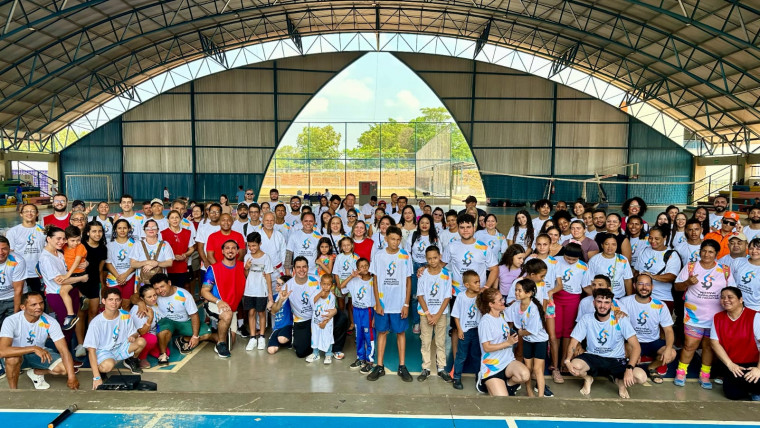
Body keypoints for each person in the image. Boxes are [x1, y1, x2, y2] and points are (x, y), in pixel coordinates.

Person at [673, 238, 735, 389]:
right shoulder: (691, 267)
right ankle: (681, 372)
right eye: (704, 251)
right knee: (689, 345)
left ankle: (705, 375)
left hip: (716, 318)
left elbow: (732, 291)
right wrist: (687, 282)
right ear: (699, 252)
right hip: (693, 316)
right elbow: (677, 287)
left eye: (711, 252)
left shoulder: (724, 270)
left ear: (717, 254)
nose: (707, 254)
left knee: (709, 346)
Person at [566, 287, 647, 399]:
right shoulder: (586, 319)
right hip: (593, 357)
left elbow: (636, 347)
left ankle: (620, 382)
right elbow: (573, 343)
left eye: (606, 302)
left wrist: (629, 369)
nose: (602, 306)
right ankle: (588, 378)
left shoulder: (621, 319)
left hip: (616, 360)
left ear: (611, 304)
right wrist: (567, 359)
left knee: (641, 377)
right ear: (594, 302)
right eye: (599, 301)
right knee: (574, 366)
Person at [0, 292, 79, 390]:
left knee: (65, 369)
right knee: (12, 359)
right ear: (23, 307)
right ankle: (14, 391)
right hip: (17, 353)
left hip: (39, 353)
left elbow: (64, 350)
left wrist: (71, 377)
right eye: (34, 305)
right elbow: (2, 351)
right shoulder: (11, 321)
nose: (39, 307)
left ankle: (36, 372)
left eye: (41, 303)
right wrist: (33, 348)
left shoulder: (50, 322)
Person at [367, 226, 413, 382]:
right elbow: (375, 280)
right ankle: (379, 366)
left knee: (401, 333)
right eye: (393, 239)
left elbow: (408, 281)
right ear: (386, 239)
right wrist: (377, 303)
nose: (396, 242)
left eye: (398, 239)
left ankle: (402, 366)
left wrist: (406, 304)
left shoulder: (405, 256)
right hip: (383, 304)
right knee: (382, 332)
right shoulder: (379, 256)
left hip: (399, 303)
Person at [617, 273, 676, 384]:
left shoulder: (660, 305)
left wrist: (668, 349)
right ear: (634, 285)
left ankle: (652, 367)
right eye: (641, 284)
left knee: (672, 353)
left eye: (647, 284)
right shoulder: (624, 302)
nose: (644, 287)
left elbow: (668, 330)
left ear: (652, 287)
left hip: (653, 341)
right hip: (632, 341)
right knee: (620, 352)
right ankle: (631, 365)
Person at [85, 288, 146, 389]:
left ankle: (131, 360)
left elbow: (135, 333)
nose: (114, 303)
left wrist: (133, 336)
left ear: (121, 301)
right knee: (108, 365)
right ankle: (101, 370)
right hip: (104, 351)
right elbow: (91, 350)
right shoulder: (96, 323)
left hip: (120, 347)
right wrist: (96, 377)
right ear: (103, 301)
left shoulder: (125, 315)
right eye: (110, 299)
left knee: (141, 341)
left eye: (117, 299)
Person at [475, 286, 530, 396]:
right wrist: (507, 343)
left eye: (502, 298)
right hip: (492, 368)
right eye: (500, 300)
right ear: (491, 304)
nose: (503, 301)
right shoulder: (485, 322)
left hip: (507, 362)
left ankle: (508, 385)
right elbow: (486, 347)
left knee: (524, 375)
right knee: (502, 400)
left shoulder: (502, 316)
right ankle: (483, 381)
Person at [38, 227, 88, 343]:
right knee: (64, 328)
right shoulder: (46, 258)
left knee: (72, 326)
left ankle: (70, 355)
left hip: (71, 292)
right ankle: (65, 357)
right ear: (48, 239)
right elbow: (60, 281)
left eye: (64, 239)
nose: (62, 242)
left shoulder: (59, 253)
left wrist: (85, 264)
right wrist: (82, 278)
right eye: (58, 239)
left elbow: (72, 265)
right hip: (57, 295)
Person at [710, 287, 760, 401]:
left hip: (755, 363)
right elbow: (714, 343)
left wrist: (758, 369)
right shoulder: (718, 318)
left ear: (741, 299)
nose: (725, 300)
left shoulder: (755, 317)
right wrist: (730, 364)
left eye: (730, 297)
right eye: (722, 297)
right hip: (734, 364)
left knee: (756, 382)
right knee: (732, 394)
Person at [151, 273, 213, 364]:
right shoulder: (154, 295)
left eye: (162, 286)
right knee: (162, 332)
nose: (160, 291)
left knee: (207, 334)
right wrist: (140, 303)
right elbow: (137, 296)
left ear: (169, 283)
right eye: (156, 288)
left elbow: (194, 315)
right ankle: (163, 354)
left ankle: (182, 340)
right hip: (167, 322)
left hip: (184, 322)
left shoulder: (184, 294)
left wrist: (195, 336)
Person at [201, 240, 247, 359]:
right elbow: (204, 291)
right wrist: (219, 301)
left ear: (237, 251)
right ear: (222, 251)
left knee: (231, 343)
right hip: (214, 303)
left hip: (232, 307)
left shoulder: (243, 267)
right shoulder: (214, 269)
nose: (230, 250)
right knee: (226, 316)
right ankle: (220, 344)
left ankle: (204, 337)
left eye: (233, 248)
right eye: (227, 248)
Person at [507, 278, 551, 397]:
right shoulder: (516, 305)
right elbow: (505, 315)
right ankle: (529, 392)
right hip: (527, 341)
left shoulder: (534, 308)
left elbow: (531, 331)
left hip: (540, 341)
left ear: (529, 293)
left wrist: (520, 333)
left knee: (537, 369)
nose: (516, 293)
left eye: (519, 291)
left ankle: (540, 396)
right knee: (527, 368)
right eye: (516, 290)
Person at [415, 246, 452, 382]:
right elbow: (420, 295)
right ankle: (426, 368)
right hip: (425, 314)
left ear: (440, 256)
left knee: (440, 342)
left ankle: (441, 368)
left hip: (440, 314)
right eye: (429, 258)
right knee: (425, 341)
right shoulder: (422, 274)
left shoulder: (446, 274)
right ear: (426, 259)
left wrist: (437, 315)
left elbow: (447, 297)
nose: (432, 261)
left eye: (435, 258)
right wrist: (428, 314)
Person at [74, 222, 107, 357]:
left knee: (93, 313)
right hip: (80, 283)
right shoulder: (80, 246)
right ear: (87, 232)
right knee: (81, 314)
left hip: (94, 283)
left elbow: (100, 269)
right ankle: (81, 344)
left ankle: (90, 342)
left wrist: (102, 285)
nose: (97, 234)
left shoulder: (103, 248)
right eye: (94, 231)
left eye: (100, 231)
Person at [634, 226, 681, 310]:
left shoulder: (671, 255)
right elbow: (636, 272)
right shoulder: (644, 250)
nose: (653, 241)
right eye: (650, 238)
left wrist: (651, 276)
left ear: (665, 238)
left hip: (662, 298)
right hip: (641, 297)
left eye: (657, 238)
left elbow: (672, 276)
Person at [451, 270, 483, 390]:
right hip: (465, 331)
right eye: (475, 282)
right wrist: (459, 330)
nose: (478, 284)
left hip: (477, 331)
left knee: (476, 355)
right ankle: (457, 377)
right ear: (467, 285)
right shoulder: (460, 297)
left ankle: (479, 377)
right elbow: (456, 315)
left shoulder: (480, 296)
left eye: (479, 282)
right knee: (461, 355)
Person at [406, 214, 439, 333]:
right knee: (415, 296)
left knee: (430, 296)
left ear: (431, 225)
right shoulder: (413, 236)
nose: (424, 225)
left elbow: (438, 256)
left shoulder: (434, 238)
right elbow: (407, 253)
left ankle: (431, 321)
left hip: (430, 268)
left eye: (427, 223)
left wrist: (426, 266)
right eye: (422, 223)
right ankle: (416, 323)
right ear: (418, 224)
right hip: (415, 267)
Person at [243, 232, 274, 351]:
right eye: (249, 246)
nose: (251, 248)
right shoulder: (247, 256)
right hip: (249, 290)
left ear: (260, 244)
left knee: (261, 313)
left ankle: (261, 336)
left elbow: (268, 277)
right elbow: (246, 275)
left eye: (254, 245)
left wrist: (270, 293)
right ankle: (252, 337)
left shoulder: (266, 257)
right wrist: (246, 267)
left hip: (262, 290)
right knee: (251, 313)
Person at [6, 204, 45, 293]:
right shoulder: (13, 232)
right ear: (21, 214)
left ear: (37, 214)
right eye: (26, 211)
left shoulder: (43, 231)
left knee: (39, 298)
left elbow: (47, 250)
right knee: (21, 298)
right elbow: (10, 253)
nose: (29, 213)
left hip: (38, 271)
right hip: (20, 272)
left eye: (32, 211)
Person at [130, 219, 175, 288]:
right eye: (148, 228)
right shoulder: (137, 245)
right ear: (144, 230)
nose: (151, 229)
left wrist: (157, 263)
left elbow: (170, 262)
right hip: (143, 282)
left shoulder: (165, 244)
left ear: (157, 230)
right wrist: (147, 262)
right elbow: (133, 264)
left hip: (160, 283)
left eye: (153, 228)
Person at [58, 226, 88, 329]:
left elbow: (76, 261)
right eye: (73, 240)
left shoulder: (80, 247)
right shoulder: (64, 246)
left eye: (78, 240)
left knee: (63, 291)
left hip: (77, 273)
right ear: (66, 239)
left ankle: (71, 315)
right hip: (71, 273)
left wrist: (67, 275)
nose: (76, 243)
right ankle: (82, 296)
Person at [129, 285, 163, 369]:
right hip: (138, 338)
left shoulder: (155, 305)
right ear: (142, 299)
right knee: (152, 339)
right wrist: (150, 318)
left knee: (166, 352)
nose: (153, 298)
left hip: (152, 334)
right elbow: (141, 332)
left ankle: (150, 349)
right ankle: (140, 358)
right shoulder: (139, 310)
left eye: (154, 295)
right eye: (149, 297)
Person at [306, 274, 337, 364]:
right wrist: (319, 294)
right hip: (316, 321)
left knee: (328, 336)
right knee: (315, 336)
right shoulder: (316, 292)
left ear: (331, 285)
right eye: (324, 284)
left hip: (326, 321)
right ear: (320, 284)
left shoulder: (332, 297)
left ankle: (328, 354)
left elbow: (331, 311)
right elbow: (312, 302)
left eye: (328, 284)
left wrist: (325, 322)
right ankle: (315, 353)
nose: (326, 287)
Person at [161, 210, 195, 290]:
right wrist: (173, 256)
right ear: (168, 220)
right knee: (168, 289)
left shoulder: (187, 233)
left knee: (181, 289)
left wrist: (185, 254)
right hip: (168, 268)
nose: (175, 220)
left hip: (182, 267)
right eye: (172, 218)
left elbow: (191, 248)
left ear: (180, 219)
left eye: (177, 217)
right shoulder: (162, 233)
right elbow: (160, 251)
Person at [731, 237, 760, 311]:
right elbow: (729, 280)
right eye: (751, 248)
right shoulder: (738, 261)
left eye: (758, 249)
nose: (754, 251)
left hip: (755, 308)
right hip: (736, 305)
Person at [195, 203, 222, 272]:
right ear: (208, 213)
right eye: (212, 212)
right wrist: (205, 261)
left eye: (217, 212)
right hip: (207, 266)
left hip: (223, 265)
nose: (214, 214)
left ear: (221, 213)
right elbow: (200, 247)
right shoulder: (203, 228)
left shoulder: (224, 227)